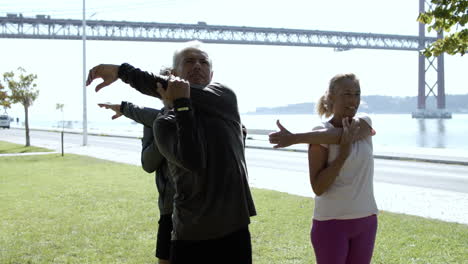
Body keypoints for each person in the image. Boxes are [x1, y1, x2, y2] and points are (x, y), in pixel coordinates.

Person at [86, 41, 256, 264]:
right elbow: (194, 161)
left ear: (212, 73)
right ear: (174, 74)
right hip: (191, 235)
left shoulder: (224, 96)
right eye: (189, 61)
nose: (197, 65)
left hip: (235, 230)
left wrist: (121, 71)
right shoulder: (163, 124)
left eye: (203, 61)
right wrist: (181, 105)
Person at [270, 73, 378, 264]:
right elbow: (318, 188)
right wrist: (342, 156)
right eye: (346, 94)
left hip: (366, 220)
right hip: (331, 224)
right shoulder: (317, 134)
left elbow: (340, 134)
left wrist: (295, 138)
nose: (353, 100)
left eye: (357, 94)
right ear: (331, 98)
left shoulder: (365, 123)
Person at [98, 72, 174, 263]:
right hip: (170, 210)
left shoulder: (206, 115)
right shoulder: (153, 121)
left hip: (204, 212)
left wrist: (128, 109)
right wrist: (162, 131)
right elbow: (148, 164)